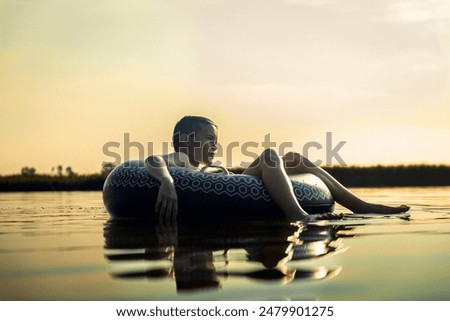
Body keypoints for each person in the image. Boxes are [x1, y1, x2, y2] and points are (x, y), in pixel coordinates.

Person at [145, 116, 409, 224]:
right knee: (270, 155)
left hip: (235, 183)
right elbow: (153, 161)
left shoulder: (209, 165)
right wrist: (167, 183)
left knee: (294, 158)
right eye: (208, 140)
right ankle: (297, 215)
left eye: (216, 140)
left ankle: (359, 205)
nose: (215, 146)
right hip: (225, 190)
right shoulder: (182, 158)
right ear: (185, 139)